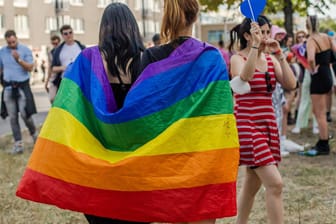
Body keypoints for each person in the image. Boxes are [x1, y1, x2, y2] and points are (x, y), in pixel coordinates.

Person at [16, 1, 239, 223]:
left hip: (98, 171)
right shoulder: (147, 62)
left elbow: (67, 105)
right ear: (133, 28)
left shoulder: (87, 61)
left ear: (103, 29)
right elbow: (164, 102)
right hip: (139, 173)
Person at [228, 15, 297, 224]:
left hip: (267, 125)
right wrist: (256, 49)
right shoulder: (237, 58)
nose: (266, 36)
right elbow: (245, 77)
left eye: (267, 32)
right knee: (275, 184)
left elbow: (291, 84)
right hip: (247, 126)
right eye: (261, 32)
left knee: (252, 184)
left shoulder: (271, 59)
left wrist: (280, 55)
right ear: (248, 35)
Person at [0, 30, 38, 154]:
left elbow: (30, 67)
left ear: (16, 38)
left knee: (25, 114)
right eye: (9, 42)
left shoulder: (25, 50)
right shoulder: (2, 52)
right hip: (8, 88)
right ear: (6, 41)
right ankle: (18, 144)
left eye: (13, 41)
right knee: (12, 117)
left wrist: (19, 60)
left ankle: (34, 134)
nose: (12, 44)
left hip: (22, 87)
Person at [304, 15, 336, 156]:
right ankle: (323, 140)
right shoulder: (326, 37)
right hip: (327, 73)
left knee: (319, 113)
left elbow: (310, 58)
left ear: (307, 25)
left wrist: (312, 69)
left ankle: (323, 144)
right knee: (321, 112)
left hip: (318, 75)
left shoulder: (311, 40)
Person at [51, 24, 85, 90]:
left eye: (70, 32)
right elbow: (53, 68)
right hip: (65, 81)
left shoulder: (81, 47)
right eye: (65, 34)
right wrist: (64, 68)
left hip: (80, 80)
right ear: (62, 35)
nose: (69, 35)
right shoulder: (58, 50)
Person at [45, 34, 61, 103]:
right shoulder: (50, 53)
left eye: (56, 43)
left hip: (62, 77)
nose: (55, 45)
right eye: (53, 43)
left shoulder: (62, 51)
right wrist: (47, 81)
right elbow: (49, 67)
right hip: (53, 78)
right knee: (52, 98)